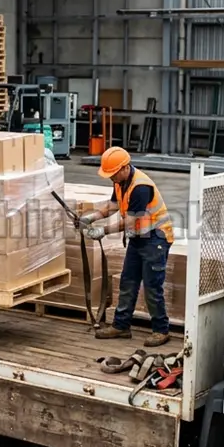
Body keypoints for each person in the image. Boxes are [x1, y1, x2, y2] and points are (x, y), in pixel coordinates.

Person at [80, 146, 174, 347]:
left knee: (151, 286)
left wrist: (102, 231)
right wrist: (91, 217)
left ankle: (161, 330)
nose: (110, 178)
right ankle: (121, 326)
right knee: (128, 282)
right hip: (139, 238)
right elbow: (113, 206)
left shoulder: (140, 187)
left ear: (124, 168)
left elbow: (129, 222)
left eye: (112, 173)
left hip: (156, 238)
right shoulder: (121, 181)